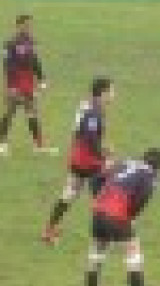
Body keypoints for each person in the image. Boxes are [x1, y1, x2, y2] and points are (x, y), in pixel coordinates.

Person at [85, 149, 160, 286]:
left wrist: (98, 200)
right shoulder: (150, 176)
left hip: (98, 213)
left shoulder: (125, 163)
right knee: (134, 258)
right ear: (158, 167)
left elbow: (96, 179)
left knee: (95, 258)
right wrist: (130, 217)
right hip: (117, 215)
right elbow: (141, 199)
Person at [42, 76, 114, 245]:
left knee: (69, 194)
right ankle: (104, 237)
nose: (113, 95)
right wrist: (104, 156)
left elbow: (83, 133)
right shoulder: (94, 112)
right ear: (102, 93)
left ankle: (49, 229)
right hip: (90, 162)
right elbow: (90, 138)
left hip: (78, 158)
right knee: (104, 198)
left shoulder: (89, 106)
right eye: (111, 91)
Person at [0, 14, 54, 156]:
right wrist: (11, 86)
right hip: (16, 81)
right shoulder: (10, 44)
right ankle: (2, 144)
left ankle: (38, 145)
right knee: (9, 112)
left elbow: (35, 61)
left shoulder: (30, 42)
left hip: (28, 82)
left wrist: (41, 79)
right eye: (26, 25)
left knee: (32, 113)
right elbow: (7, 65)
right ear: (19, 25)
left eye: (30, 25)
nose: (29, 27)